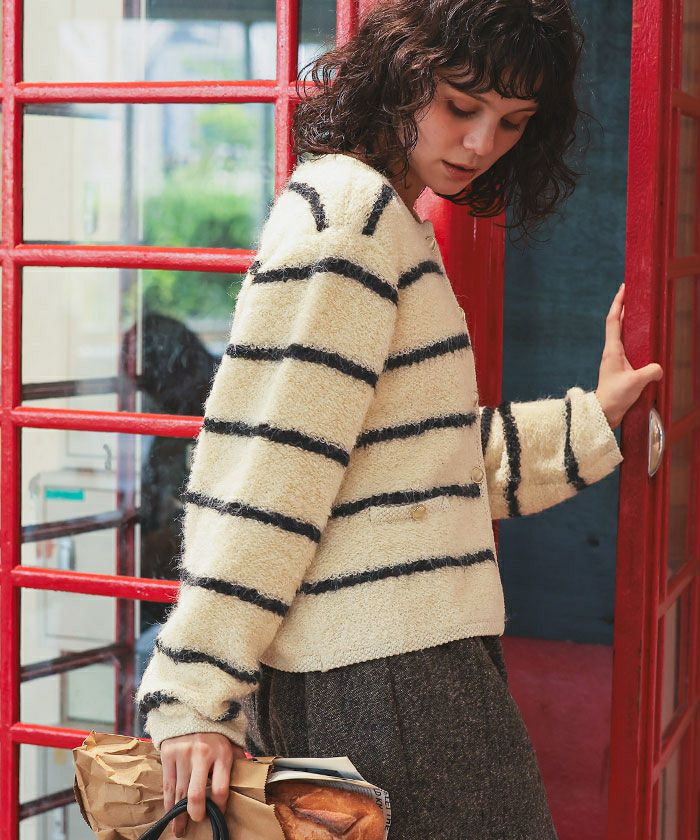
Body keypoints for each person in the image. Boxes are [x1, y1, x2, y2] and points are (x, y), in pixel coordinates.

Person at [134, 1, 664, 837]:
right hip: (388, 680)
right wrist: (195, 691)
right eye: (461, 105)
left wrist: (590, 424)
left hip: (404, 665)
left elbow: (417, 463)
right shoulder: (350, 217)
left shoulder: (387, 219)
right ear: (402, 74)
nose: (481, 143)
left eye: (512, 122)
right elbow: (270, 465)